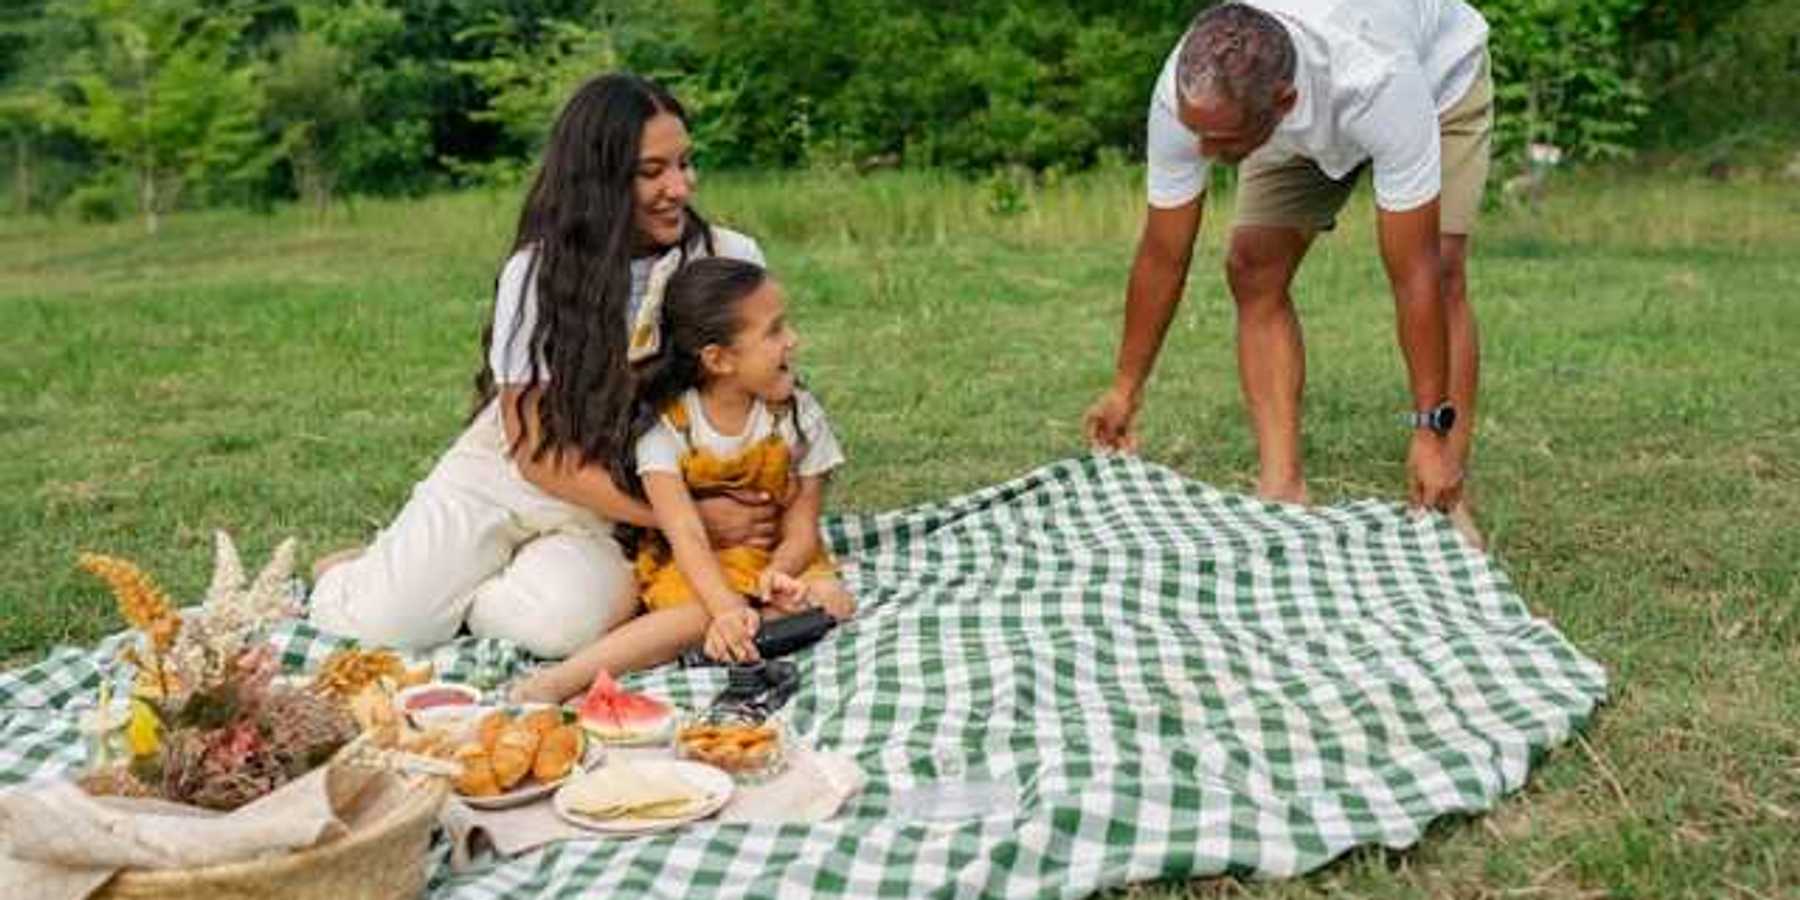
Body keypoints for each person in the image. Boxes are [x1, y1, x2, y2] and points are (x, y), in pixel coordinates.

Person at [308, 74, 780, 656]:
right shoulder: (535, 274)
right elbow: (534, 453)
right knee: (382, 627)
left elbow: (763, 400)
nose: (680, 187)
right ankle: (358, 573)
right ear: (599, 180)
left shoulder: (728, 258)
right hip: (510, 474)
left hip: (617, 511)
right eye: (651, 171)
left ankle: (458, 580)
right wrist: (690, 523)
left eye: (685, 163)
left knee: (553, 629)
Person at [1083, 1, 1491, 544]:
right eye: (1197, 133)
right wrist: (1125, 388)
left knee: (1439, 270)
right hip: (1288, 114)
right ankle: (1282, 488)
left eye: (1222, 143)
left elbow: (1412, 275)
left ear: (1284, 102)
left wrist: (1427, 429)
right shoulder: (1194, 89)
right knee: (1253, 267)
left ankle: (1443, 496)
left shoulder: (1377, 80)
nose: (1203, 151)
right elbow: (1163, 253)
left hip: (1436, 85)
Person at [511, 258, 856, 702]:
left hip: (775, 556)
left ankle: (735, 633)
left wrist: (779, 574)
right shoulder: (668, 427)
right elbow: (686, 532)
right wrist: (726, 606)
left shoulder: (797, 413)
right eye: (774, 331)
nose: (793, 340)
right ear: (718, 359)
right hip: (698, 562)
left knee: (833, 599)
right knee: (696, 614)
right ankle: (562, 680)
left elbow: (803, 526)